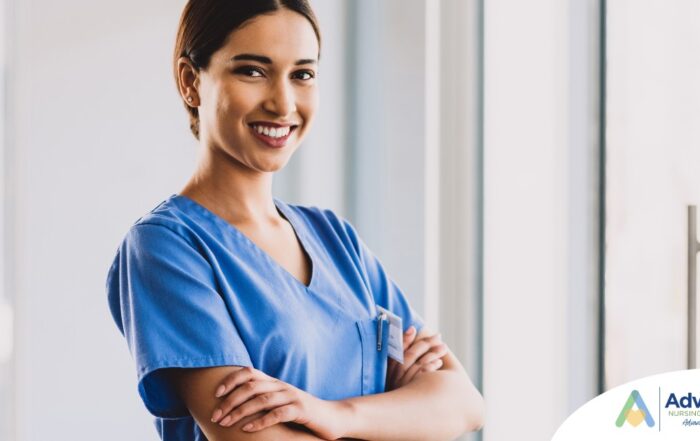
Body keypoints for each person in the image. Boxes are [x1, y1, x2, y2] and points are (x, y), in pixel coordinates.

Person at [106, 1, 485, 440]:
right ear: (191, 82)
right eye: (252, 70)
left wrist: (335, 415)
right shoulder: (167, 249)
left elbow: (463, 402)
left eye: (302, 74)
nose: (283, 102)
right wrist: (398, 417)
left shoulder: (334, 238)